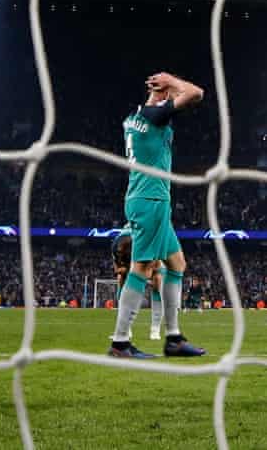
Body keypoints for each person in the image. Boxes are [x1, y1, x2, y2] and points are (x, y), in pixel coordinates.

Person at [108, 72, 206, 358]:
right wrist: (171, 81)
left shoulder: (134, 117)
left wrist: (166, 88)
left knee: (176, 263)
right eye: (171, 95)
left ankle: (173, 338)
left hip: (148, 198)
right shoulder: (154, 115)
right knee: (143, 268)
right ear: (162, 95)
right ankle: (120, 342)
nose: (176, 98)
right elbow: (196, 92)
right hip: (150, 199)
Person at [110, 229, 164, 341]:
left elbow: (156, 267)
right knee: (121, 279)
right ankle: (125, 327)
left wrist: (142, 275)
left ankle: (155, 329)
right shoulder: (116, 247)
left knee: (157, 281)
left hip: (152, 262)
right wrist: (128, 271)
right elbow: (117, 269)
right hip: (132, 266)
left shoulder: (148, 246)